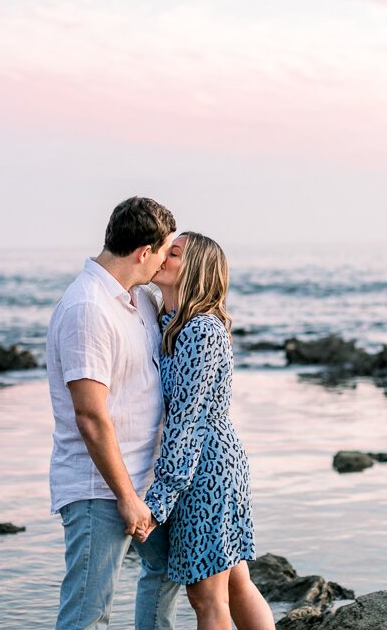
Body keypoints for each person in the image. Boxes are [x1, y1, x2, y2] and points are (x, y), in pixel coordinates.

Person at [46, 196, 181, 630]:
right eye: (164, 251)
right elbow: (90, 414)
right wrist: (125, 497)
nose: (163, 261)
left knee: (165, 573)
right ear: (144, 252)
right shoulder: (88, 308)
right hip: (101, 488)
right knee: (89, 614)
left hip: (148, 481)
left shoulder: (137, 299)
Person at [141, 232, 275, 630]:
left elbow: (188, 420)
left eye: (174, 252)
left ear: (196, 269)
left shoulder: (200, 331)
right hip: (206, 464)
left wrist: (159, 499)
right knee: (235, 581)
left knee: (207, 598)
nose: (162, 255)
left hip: (207, 471)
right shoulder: (169, 322)